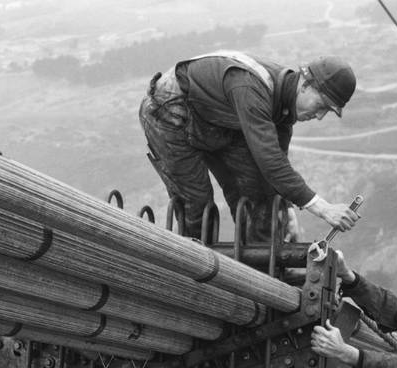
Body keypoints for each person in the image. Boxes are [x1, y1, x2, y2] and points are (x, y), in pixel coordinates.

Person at [139, 52, 361, 243]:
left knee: (260, 196)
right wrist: (324, 209)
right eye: (321, 105)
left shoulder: (283, 108)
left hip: (218, 121)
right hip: (170, 116)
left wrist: (286, 210)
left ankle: (261, 271)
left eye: (327, 111)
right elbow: (270, 161)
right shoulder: (250, 88)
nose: (320, 116)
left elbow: (276, 166)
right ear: (305, 85)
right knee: (197, 204)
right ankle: (195, 265)